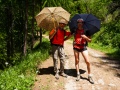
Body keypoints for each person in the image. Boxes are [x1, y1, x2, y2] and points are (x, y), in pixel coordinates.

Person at [72, 18, 94, 84]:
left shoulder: (86, 31)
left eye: (81, 22)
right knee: (77, 60)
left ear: (83, 23)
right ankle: (78, 74)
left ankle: (89, 76)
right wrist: (64, 40)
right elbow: (71, 36)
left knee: (88, 61)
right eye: (78, 22)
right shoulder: (75, 30)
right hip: (76, 47)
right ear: (77, 23)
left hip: (83, 47)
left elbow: (90, 41)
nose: (80, 23)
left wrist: (86, 37)